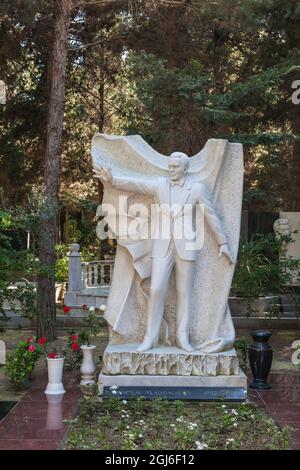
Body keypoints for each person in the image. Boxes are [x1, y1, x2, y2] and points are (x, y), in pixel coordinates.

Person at [94, 152, 233, 352]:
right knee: (157, 289)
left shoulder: (197, 189)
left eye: (175, 166)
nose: (171, 169)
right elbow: (136, 184)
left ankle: (182, 338)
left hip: (187, 246)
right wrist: (113, 179)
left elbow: (211, 215)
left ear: (185, 168)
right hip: (162, 246)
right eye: (169, 166)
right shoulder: (160, 185)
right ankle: (150, 338)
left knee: (184, 294)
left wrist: (222, 243)